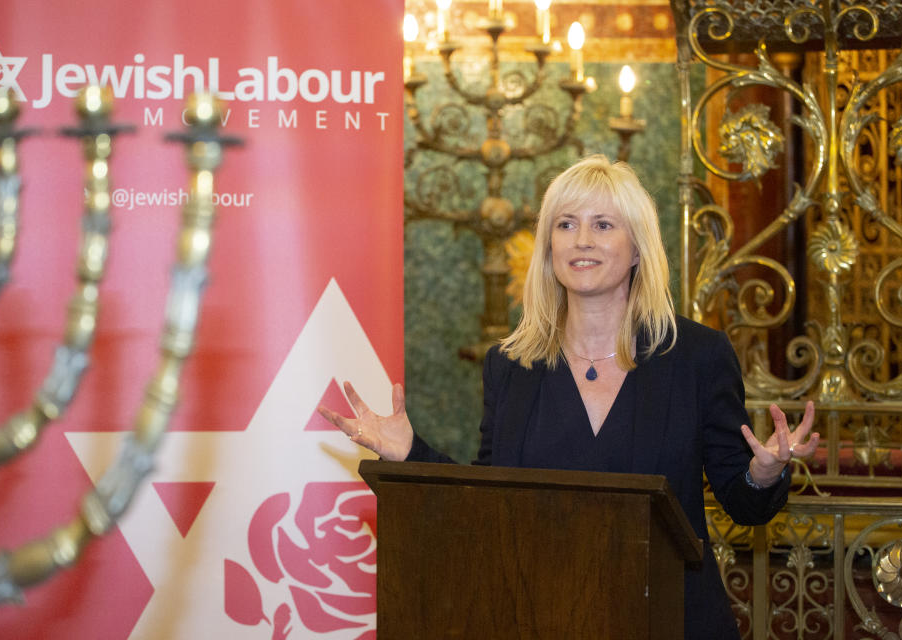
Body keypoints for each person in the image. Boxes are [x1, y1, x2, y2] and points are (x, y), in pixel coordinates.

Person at [318, 154, 818, 640]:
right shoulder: (511, 365)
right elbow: (489, 501)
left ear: (639, 247)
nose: (582, 240)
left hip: (670, 616)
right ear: (548, 247)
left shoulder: (697, 356)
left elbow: (744, 504)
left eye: (603, 225)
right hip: (538, 615)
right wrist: (411, 454)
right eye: (565, 224)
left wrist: (764, 472)